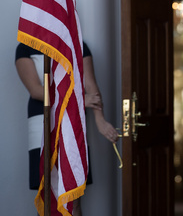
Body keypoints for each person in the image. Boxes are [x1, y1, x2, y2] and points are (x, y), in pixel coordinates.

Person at [15, 42, 119, 215]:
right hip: (41, 125)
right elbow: (36, 91)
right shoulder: (25, 47)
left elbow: (91, 88)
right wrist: (77, 99)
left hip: (72, 123)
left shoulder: (78, 43)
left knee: (73, 199)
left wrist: (100, 120)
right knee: (48, 197)